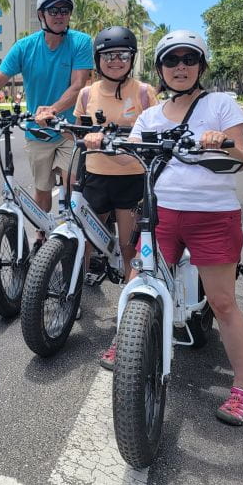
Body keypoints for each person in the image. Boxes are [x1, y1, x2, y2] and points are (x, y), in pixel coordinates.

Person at [127, 29, 243, 426]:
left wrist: (222, 143)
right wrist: (102, 140)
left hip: (213, 216)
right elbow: (132, 152)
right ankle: (126, 343)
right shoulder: (149, 115)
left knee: (223, 302)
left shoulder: (220, 104)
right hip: (162, 212)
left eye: (188, 59)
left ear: (200, 66)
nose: (180, 67)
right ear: (161, 69)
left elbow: (242, 157)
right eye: (171, 60)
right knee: (138, 281)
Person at [0, 0, 93, 246]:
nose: (60, 15)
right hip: (37, 131)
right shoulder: (24, 47)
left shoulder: (80, 42)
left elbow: (78, 85)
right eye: (53, 10)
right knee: (42, 188)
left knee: (71, 182)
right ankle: (42, 234)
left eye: (65, 10)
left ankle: (72, 232)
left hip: (68, 128)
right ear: (41, 15)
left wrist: (53, 109)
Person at [77, 26, 157, 365]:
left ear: (131, 58)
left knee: (128, 249)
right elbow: (79, 136)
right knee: (84, 243)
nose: (115, 61)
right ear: (98, 59)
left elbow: (155, 138)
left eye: (122, 55)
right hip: (94, 176)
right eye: (108, 55)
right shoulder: (86, 94)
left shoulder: (144, 93)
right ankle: (72, 298)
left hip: (131, 180)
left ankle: (127, 325)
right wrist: (89, 139)